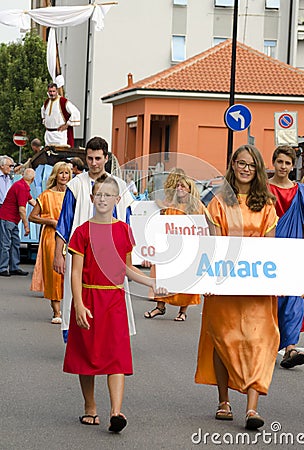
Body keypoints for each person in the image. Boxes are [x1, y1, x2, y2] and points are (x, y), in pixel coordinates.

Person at [63, 175, 166, 433]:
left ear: (117, 200)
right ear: (91, 198)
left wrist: (152, 283)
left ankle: (116, 412)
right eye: (98, 194)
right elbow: (76, 272)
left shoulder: (123, 230)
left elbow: (126, 268)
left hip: (115, 300)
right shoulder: (82, 231)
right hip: (89, 298)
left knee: (117, 356)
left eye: (108, 195)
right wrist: (78, 304)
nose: (102, 199)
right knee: (86, 354)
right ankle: (90, 407)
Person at [195, 144, 279, 430]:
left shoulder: (267, 204)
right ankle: (223, 400)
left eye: (251, 165)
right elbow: (214, 245)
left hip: (256, 285)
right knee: (223, 340)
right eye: (241, 163)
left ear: (257, 170)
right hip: (225, 285)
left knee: (258, 341)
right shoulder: (219, 202)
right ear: (233, 166)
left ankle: (252, 409)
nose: (245, 169)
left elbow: (269, 247)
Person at [53, 136, 135, 343]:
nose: (93, 163)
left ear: (106, 158)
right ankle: (76, 337)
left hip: (111, 251)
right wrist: (58, 254)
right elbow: (65, 221)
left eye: (98, 158)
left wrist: (128, 258)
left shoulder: (119, 185)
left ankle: (111, 338)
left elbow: (127, 222)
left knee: (112, 295)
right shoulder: (76, 185)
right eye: (90, 158)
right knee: (77, 291)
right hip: (81, 248)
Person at [268, 146, 304, 369]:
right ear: (274, 162)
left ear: (293, 166)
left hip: (293, 249)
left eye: (287, 163)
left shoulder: (301, 190)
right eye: (280, 162)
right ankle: (268, 344)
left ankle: (290, 348)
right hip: (269, 247)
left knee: (294, 297)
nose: (283, 167)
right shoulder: (263, 188)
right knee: (272, 297)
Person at [144, 176, 204, 321]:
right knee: (163, 276)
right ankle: (160, 306)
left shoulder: (198, 207)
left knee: (186, 280)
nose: (179, 188)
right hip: (171, 248)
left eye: (183, 186)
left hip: (189, 249)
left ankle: (183, 311)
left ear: (190, 189)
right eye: (177, 186)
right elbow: (162, 226)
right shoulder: (171, 206)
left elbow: (203, 228)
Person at [29, 162, 72, 323]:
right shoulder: (46, 195)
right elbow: (32, 216)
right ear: (55, 175)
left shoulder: (73, 194)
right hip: (51, 237)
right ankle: (57, 312)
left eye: (66, 173)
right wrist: (50, 221)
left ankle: (70, 308)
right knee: (55, 273)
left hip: (70, 236)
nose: (63, 176)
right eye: (61, 173)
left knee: (71, 272)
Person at [0, 168, 36, 277]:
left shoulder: (22, 185)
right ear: (33, 179)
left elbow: (31, 201)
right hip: (8, 218)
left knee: (15, 243)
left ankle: (14, 267)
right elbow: (22, 209)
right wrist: (26, 226)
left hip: (11, 219)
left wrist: (44, 208)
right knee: (6, 244)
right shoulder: (21, 188)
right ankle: (3, 268)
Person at [41, 82, 80, 147]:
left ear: (57, 91)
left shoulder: (63, 101)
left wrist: (67, 125)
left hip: (60, 135)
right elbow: (43, 111)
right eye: (50, 91)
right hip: (48, 135)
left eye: (53, 91)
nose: (52, 93)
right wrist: (45, 121)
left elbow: (75, 112)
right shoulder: (47, 102)